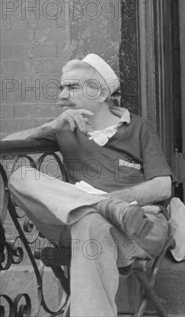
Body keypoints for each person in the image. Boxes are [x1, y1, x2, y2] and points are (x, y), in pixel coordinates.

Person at [4, 53, 172, 317]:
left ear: (101, 93)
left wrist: (119, 196)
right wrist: (48, 127)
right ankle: (104, 206)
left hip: (137, 228)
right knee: (20, 177)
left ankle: (104, 206)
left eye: (71, 87)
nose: (61, 96)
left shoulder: (139, 128)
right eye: (60, 87)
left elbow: (163, 187)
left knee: (89, 225)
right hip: (81, 225)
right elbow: (5, 149)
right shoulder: (64, 128)